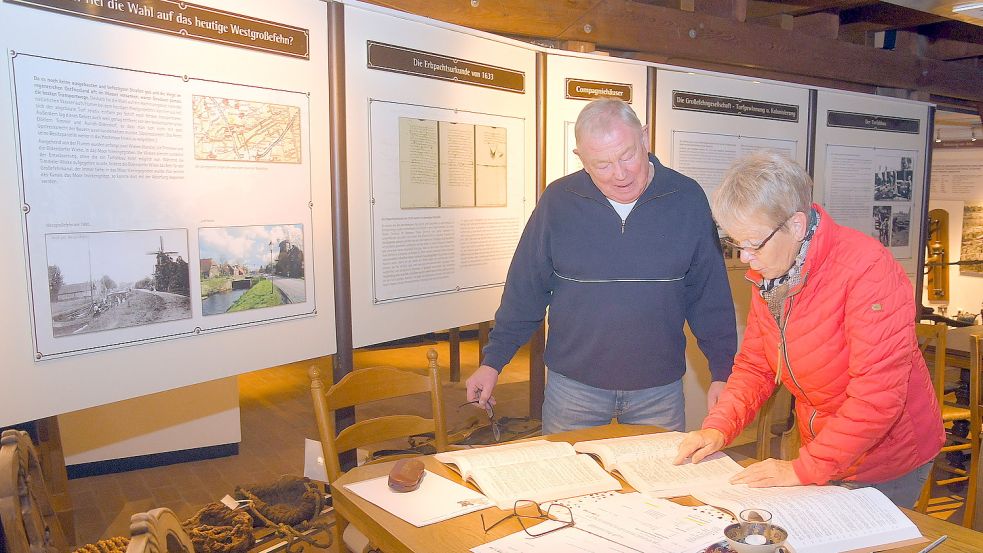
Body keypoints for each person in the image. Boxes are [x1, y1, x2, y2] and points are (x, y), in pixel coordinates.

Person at [673, 151, 944, 507]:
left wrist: (804, 469)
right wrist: (718, 427)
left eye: (753, 243)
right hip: (823, 444)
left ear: (797, 226)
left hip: (888, 458)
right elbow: (756, 365)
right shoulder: (773, 274)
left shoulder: (868, 270)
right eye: (736, 244)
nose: (744, 258)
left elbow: (876, 399)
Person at [465, 98, 738, 434]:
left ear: (645, 139)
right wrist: (492, 362)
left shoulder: (687, 198)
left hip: (658, 391)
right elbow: (525, 291)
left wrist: (724, 372)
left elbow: (709, 297)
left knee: (657, 484)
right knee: (569, 483)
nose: (620, 174)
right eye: (603, 165)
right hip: (573, 389)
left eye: (627, 156)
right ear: (581, 159)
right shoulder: (559, 201)